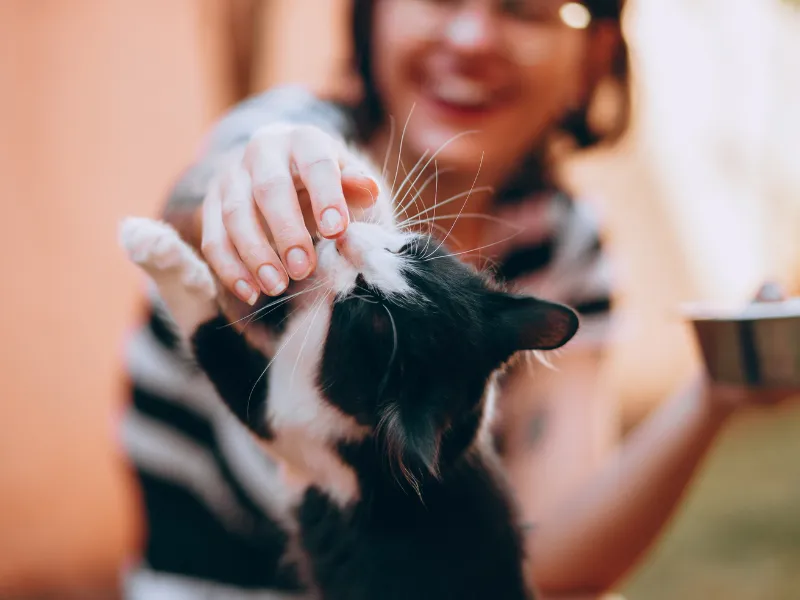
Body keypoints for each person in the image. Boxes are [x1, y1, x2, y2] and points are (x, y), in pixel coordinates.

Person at [122, 0, 796, 597]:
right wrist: (244, 189)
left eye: (526, 9)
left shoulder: (560, 242)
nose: (473, 36)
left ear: (592, 55)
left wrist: (715, 392)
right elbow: (196, 203)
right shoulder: (292, 138)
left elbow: (551, 561)